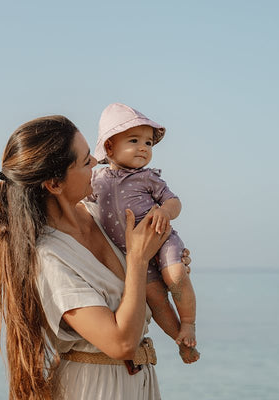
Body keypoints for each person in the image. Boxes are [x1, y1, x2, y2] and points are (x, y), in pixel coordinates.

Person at [0, 115, 193, 400]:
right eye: (86, 161)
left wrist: (167, 260)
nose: (97, 164)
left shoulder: (102, 216)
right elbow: (121, 343)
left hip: (140, 382)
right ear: (54, 184)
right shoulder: (49, 258)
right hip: (93, 389)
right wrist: (137, 260)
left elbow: (145, 279)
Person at [88, 103, 199, 362]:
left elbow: (174, 202)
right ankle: (181, 341)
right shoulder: (96, 181)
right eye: (134, 140)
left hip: (161, 241)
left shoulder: (148, 178)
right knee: (156, 300)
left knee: (176, 276)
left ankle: (190, 323)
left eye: (148, 143)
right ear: (109, 147)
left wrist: (165, 213)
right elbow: (79, 201)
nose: (143, 148)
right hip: (133, 255)